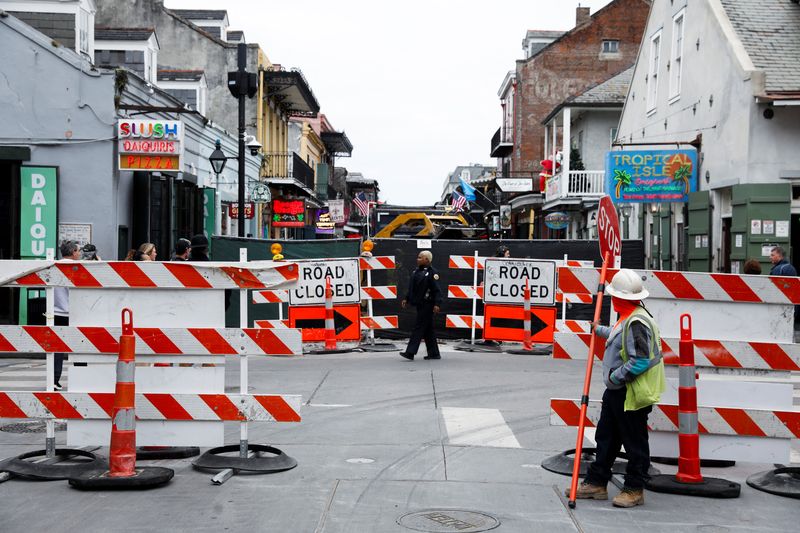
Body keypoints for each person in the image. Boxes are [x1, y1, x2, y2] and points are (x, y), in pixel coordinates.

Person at [568, 269, 666, 508]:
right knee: (607, 436)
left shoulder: (636, 322)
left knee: (634, 442)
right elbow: (617, 334)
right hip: (621, 390)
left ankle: (634, 489)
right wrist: (598, 329)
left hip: (631, 391)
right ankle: (597, 482)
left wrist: (615, 378)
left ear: (619, 298)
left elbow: (640, 360)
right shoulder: (629, 316)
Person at [399, 250, 443, 360]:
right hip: (419, 304)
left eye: (420, 257)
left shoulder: (433, 273)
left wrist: (437, 303)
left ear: (427, 260)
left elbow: (437, 290)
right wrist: (406, 298)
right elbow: (412, 288)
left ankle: (410, 352)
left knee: (418, 327)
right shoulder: (415, 272)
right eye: (418, 257)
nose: (417, 259)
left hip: (428, 304)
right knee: (428, 329)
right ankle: (434, 353)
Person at [53, 241, 81, 390]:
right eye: (79, 251)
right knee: (81, 344)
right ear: (73, 252)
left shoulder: (54, 266)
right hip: (73, 313)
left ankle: (54, 379)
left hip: (56, 312)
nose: (80, 254)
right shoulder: (76, 268)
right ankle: (81, 375)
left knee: (57, 348)